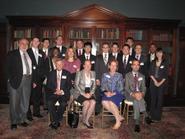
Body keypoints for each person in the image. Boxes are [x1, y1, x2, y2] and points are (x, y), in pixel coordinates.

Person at [6, 38, 32, 130]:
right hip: (16, 80)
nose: (24, 45)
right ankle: (14, 121)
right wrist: (9, 80)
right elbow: (7, 68)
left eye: (26, 44)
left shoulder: (28, 54)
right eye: (22, 43)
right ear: (18, 44)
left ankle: (22, 119)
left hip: (28, 80)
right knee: (14, 102)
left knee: (25, 101)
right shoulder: (12, 54)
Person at [46, 58, 71, 129]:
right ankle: (57, 121)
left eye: (60, 64)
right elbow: (48, 85)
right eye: (57, 64)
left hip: (63, 94)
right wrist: (55, 90)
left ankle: (55, 121)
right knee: (50, 103)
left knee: (63, 104)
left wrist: (62, 91)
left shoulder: (67, 73)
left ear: (63, 65)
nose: (59, 65)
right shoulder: (51, 73)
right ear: (55, 65)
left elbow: (69, 85)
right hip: (53, 94)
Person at [101, 59, 125, 130]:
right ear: (109, 66)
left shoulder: (119, 75)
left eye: (115, 65)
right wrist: (106, 92)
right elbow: (102, 86)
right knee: (104, 102)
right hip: (107, 93)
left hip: (118, 93)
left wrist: (113, 93)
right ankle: (119, 116)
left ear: (117, 67)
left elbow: (121, 88)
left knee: (111, 102)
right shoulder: (105, 75)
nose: (113, 67)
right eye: (112, 65)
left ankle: (118, 122)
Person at [125, 60, 146, 132]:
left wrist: (142, 94)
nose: (136, 66)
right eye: (134, 64)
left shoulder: (142, 76)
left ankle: (137, 124)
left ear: (139, 66)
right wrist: (133, 94)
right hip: (130, 94)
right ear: (132, 66)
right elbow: (126, 88)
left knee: (137, 100)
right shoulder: (127, 75)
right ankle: (145, 114)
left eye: (137, 65)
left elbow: (144, 88)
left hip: (139, 95)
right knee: (137, 99)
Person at [27, 37, 45, 120]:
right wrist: (33, 80)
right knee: (29, 97)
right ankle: (28, 114)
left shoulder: (42, 52)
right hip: (30, 78)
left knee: (37, 96)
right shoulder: (27, 52)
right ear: (32, 42)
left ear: (39, 43)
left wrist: (42, 77)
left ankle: (36, 112)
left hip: (39, 78)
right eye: (34, 41)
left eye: (37, 41)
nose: (36, 42)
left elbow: (43, 66)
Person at [74, 60, 96, 128]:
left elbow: (94, 85)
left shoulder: (93, 73)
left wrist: (91, 93)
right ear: (83, 66)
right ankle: (84, 118)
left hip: (89, 91)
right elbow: (76, 85)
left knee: (93, 102)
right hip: (80, 91)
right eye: (86, 64)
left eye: (89, 64)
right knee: (86, 103)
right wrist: (83, 94)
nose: (88, 66)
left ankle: (86, 120)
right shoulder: (79, 73)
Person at [149, 48, 168, 122]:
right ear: (156, 54)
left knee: (159, 100)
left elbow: (165, 75)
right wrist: (155, 81)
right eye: (157, 53)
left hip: (162, 83)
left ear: (162, 53)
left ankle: (157, 117)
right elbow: (150, 73)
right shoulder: (153, 62)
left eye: (160, 52)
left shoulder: (165, 62)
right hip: (153, 81)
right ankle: (152, 115)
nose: (158, 54)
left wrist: (159, 83)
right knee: (153, 99)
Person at [95, 42, 114, 114]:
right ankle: (97, 110)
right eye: (104, 47)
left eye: (107, 47)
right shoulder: (98, 57)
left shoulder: (112, 57)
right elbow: (96, 69)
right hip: (100, 80)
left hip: (109, 80)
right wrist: (97, 79)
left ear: (109, 49)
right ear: (102, 48)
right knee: (98, 95)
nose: (105, 49)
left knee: (109, 94)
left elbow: (113, 69)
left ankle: (110, 109)